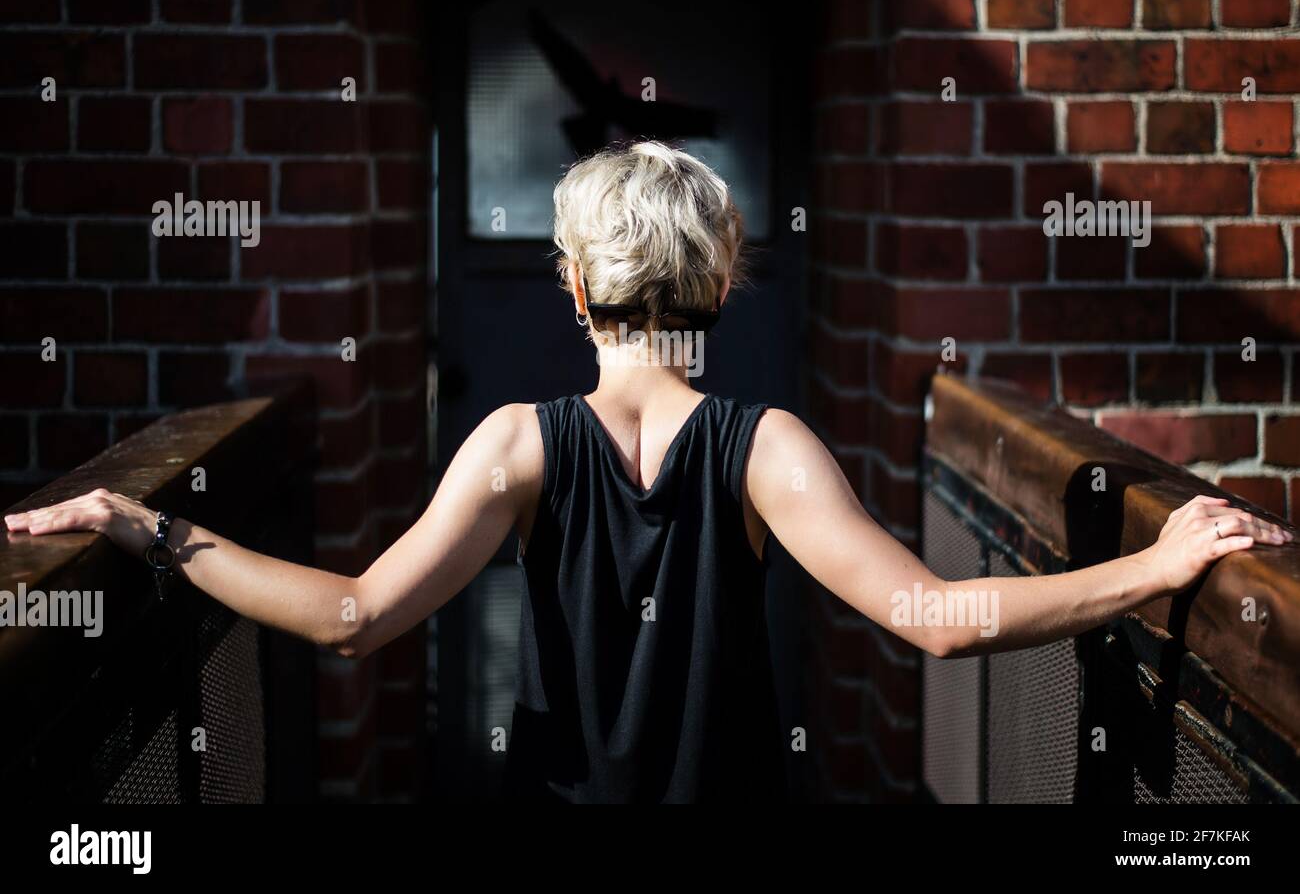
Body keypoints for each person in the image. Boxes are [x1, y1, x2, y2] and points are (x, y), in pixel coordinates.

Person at [5, 141, 1291, 803]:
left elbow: (351, 616)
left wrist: (147, 528)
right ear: (720, 284)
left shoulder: (516, 441)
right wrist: (1153, 565)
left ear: (574, 288)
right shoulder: (766, 445)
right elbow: (938, 621)